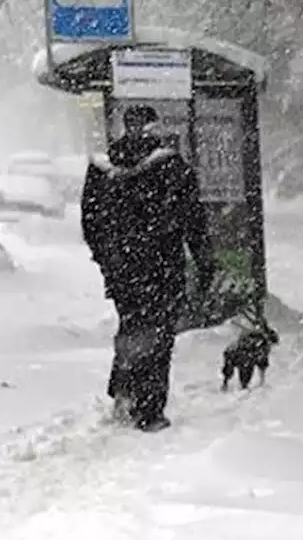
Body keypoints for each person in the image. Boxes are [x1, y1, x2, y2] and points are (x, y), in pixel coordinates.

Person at [81, 105, 215, 432]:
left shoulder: (102, 168)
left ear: (126, 128)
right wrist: (203, 262)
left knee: (131, 325)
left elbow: (90, 221)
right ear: (154, 128)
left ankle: (124, 390)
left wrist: (106, 259)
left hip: (122, 270)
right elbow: (193, 220)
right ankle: (149, 409)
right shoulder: (171, 166)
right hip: (162, 266)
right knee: (159, 334)